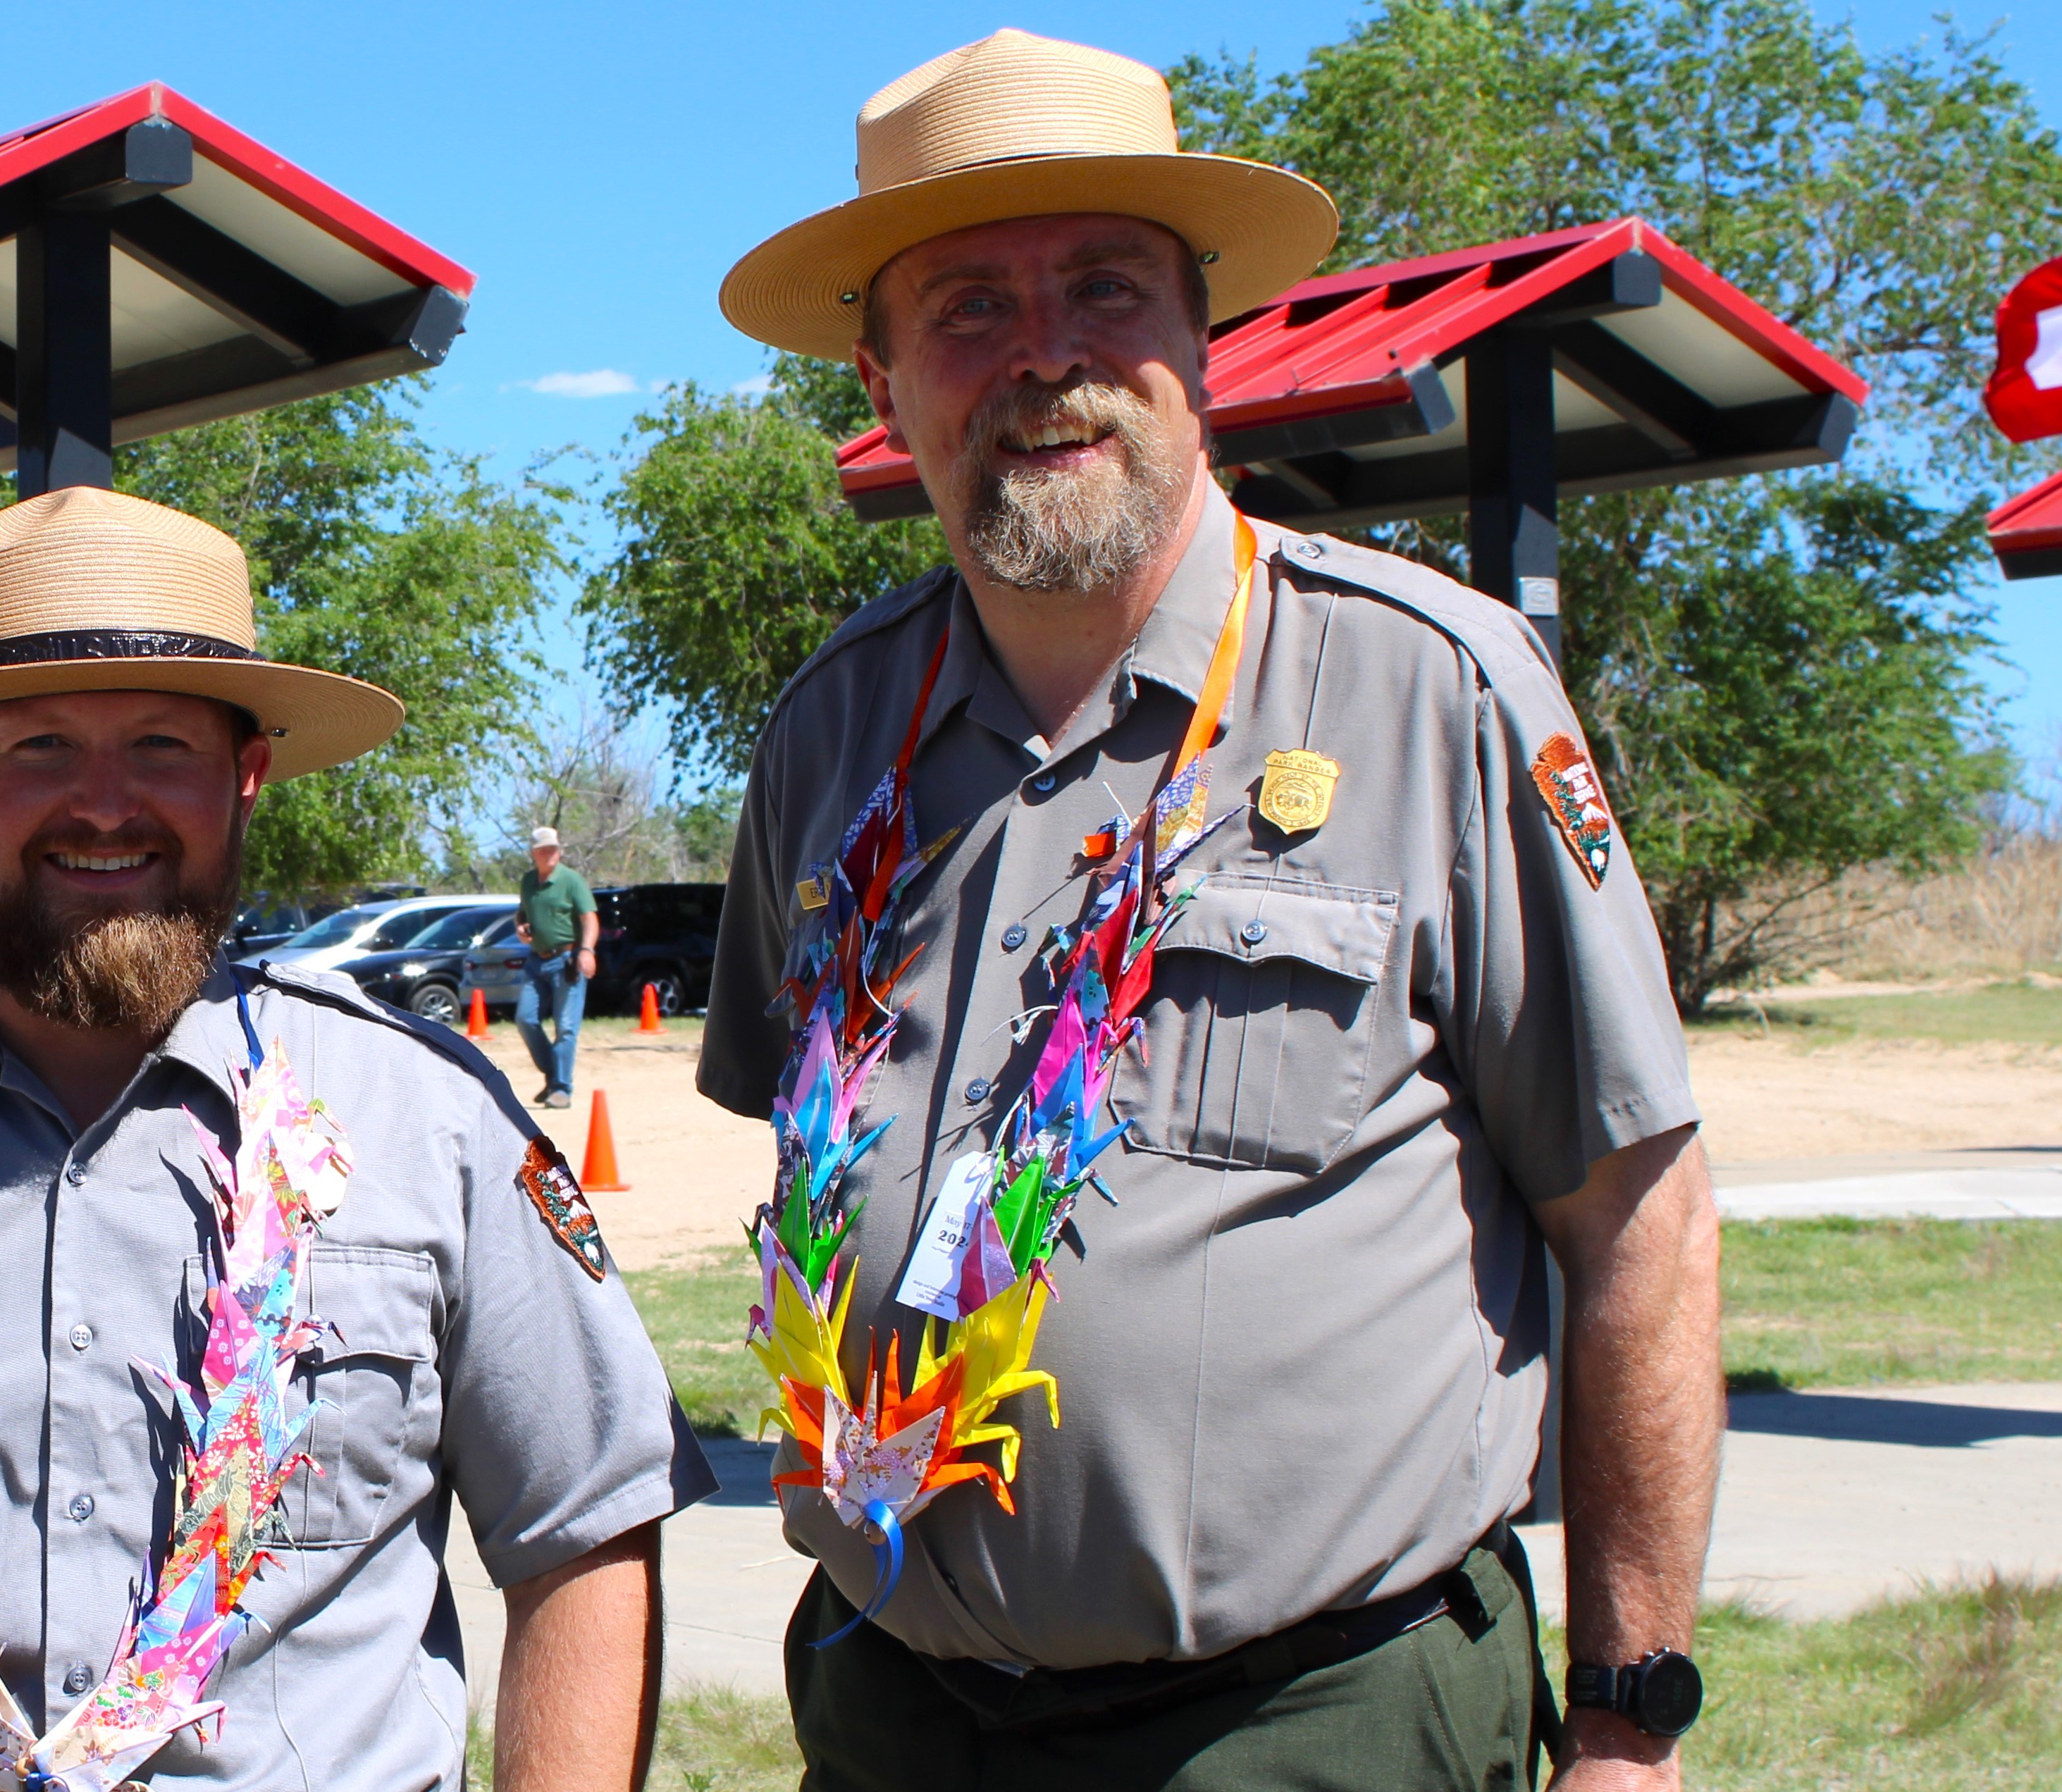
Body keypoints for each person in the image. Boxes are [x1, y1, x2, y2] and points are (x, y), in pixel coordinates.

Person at [698, 31, 1721, 1788]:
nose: (1045, 359)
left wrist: (1629, 1716)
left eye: (1104, 288)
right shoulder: (826, 735)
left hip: (1310, 1725)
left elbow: (1639, 1215)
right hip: (896, 1707)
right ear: (881, 377)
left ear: (1199, 340)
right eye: (964, 310)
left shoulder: (1432, 691)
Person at [0, 487, 714, 1792]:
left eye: (163, 743)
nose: (105, 805)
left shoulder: (429, 1125)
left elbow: (586, 1539)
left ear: (247, 775)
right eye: (38, 746)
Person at [514, 824, 600, 1106]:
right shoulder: (528, 882)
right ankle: (553, 1075)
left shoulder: (572, 880)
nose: (550, 853)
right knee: (525, 1019)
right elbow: (522, 914)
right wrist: (521, 928)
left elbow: (590, 919)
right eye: (544, 850)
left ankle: (562, 1088)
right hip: (536, 960)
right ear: (534, 853)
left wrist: (586, 951)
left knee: (565, 1025)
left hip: (567, 960)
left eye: (554, 848)